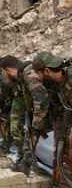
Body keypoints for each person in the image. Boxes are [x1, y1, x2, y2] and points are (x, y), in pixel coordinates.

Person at [0, 55, 52, 176]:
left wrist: (36, 126)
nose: (6, 77)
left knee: (33, 132)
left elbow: (42, 100)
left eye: (5, 73)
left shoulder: (28, 75)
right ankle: (25, 165)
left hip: (55, 111)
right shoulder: (23, 76)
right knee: (29, 133)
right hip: (43, 111)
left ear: (9, 70)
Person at [32, 51, 71, 185]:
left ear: (47, 71)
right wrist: (60, 141)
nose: (37, 78)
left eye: (38, 74)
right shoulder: (55, 85)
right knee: (62, 158)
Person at [0, 56, 14, 154]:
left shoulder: (1, 71)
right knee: (9, 126)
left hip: (12, 100)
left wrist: (1, 100)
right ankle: (6, 147)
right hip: (11, 101)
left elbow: (5, 86)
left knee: (12, 126)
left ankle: (7, 148)